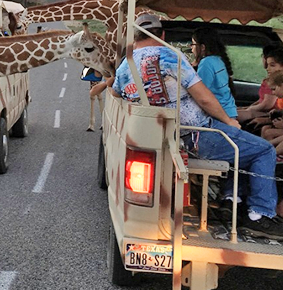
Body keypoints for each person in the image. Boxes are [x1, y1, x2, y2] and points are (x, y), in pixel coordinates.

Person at [110, 13, 283, 240]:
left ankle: (231, 202)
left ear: (134, 37)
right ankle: (259, 215)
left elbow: (115, 95)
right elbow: (204, 99)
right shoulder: (172, 58)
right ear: (162, 35)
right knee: (262, 150)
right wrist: (230, 121)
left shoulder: (125, 67)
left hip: (157, 138)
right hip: (197, 136)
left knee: (241, 148)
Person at [191, 28, 237, 119]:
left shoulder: (206, 63)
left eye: (193, 44)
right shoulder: (218, 60)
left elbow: (200, 93)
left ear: (202, 47)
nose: (191, 49)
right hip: (229, 111)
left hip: (218, 115)